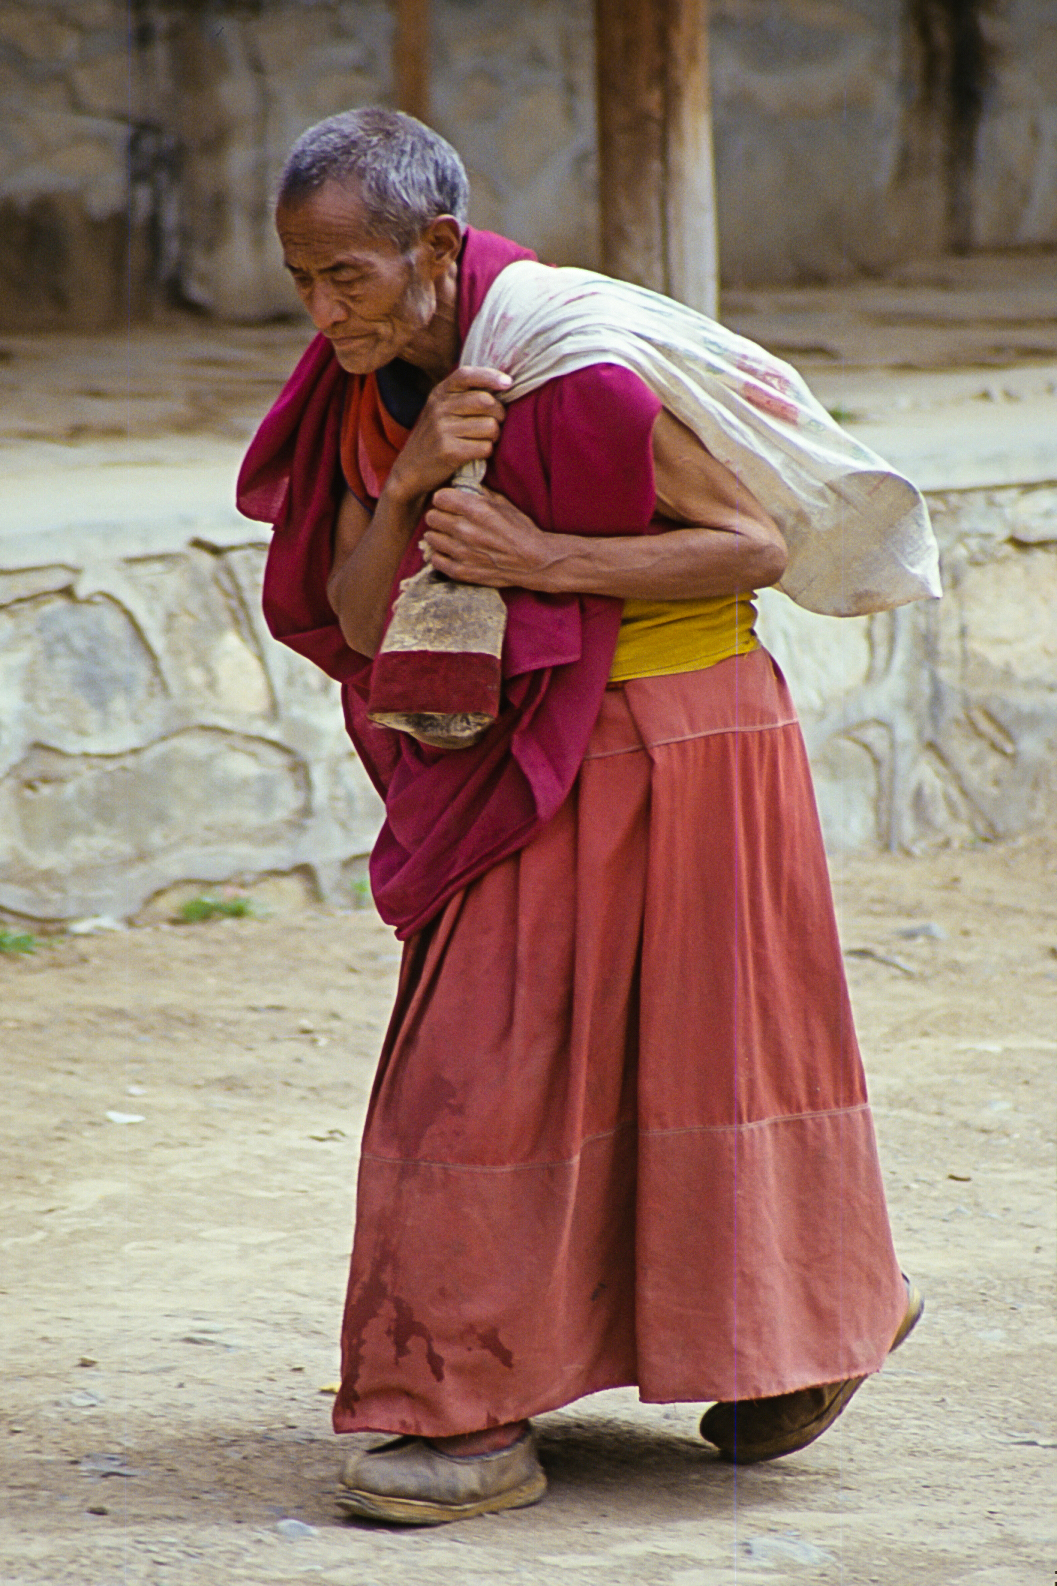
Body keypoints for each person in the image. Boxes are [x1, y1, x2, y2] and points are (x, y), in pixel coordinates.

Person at [237, 107, 922, 1527]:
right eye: (300, 277)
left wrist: (546, 553)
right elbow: (356, 617)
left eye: (344, 277)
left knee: (705, 1044)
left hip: (687, 735)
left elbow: (750, 541)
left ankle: (788, 1337)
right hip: (518, 748)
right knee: (480, 1062)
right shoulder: (376, 386)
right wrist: (419, 473)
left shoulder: (573, 365)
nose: (320, 310)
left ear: (435, 249)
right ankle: (455, 1389)